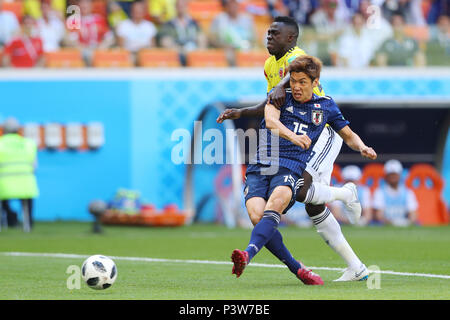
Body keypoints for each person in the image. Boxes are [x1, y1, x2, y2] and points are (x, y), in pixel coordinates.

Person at [217, 16, 373, 281]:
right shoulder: (269, 65)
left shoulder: (298, 58)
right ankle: (356, 267)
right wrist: (241, 112)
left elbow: (291, 79)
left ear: (290, 38)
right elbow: (273, 101)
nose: (268, 37)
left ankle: (346, 193)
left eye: (274, 33)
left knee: (299, 191)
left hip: (319, 132)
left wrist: (282, 84)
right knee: (311, 205)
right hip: (289, 139)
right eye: (267, 33)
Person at [0, 118, 39, 232]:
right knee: (27, 201)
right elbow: (34, 166)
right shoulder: (29, 144)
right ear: (18, 130)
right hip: (26, 185)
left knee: (3, 202)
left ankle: (7, 220)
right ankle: (28, 224)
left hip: (3, 185)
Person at [158, 0, 207, 66]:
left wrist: (197, 51)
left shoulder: (194, 23)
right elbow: (165, 41)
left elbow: (202, 37)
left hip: (193, 51)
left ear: (187, 7)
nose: (181, 8)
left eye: (183, 6)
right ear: (175, 7)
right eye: (179, 6)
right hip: (176, 53)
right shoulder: (169, 24)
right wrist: (181, 50)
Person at [372, 159, 418, 226]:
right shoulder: (379, 192)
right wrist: (393, 223)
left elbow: (413, 214)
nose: (393, 177)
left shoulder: (408, 192)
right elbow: (378, 216)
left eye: (395, 174)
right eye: (390, 174)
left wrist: (406, 222)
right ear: (386, 176)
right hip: (385, 227)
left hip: (404, 228)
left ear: (399, 175)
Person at [209, 0, 256, 64]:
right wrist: (224, 46)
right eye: (230, 4)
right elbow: (212, 39)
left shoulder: (247, 19)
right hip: (225, 49)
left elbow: (254, 39)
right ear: (226, 5)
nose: (232, 6)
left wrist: (245, 45)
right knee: (229, 55)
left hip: (245, 49)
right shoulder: (219, 19)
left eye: (235, 4)